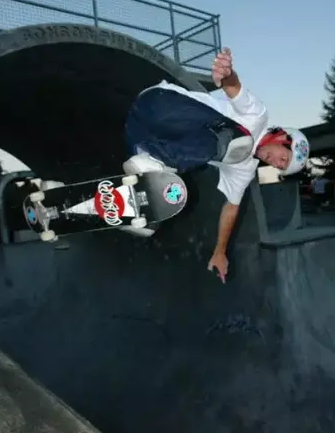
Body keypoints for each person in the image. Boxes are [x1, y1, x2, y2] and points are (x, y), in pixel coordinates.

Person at [123, 48, 310, 282]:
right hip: (160, 107)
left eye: (280, 167)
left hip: (138, 136)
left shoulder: (246, 169)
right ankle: (155, 163)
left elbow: (231, 208)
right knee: (238, 142)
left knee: (157, 207)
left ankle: (73, 205)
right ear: (283, 138)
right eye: (283, 157)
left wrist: (220, 251)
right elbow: (234, 89)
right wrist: (227, 74)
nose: (275, 162)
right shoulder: (258, 116)